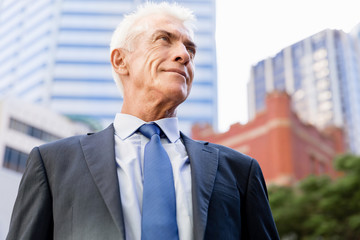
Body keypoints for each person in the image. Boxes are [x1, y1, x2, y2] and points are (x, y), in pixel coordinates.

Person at [7, 2, 279, 240]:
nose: (184, 55)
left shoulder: (240, 172)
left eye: (190, 50)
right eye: (163, 39)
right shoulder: (52, 163)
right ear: (120, 60)